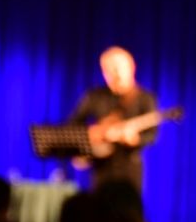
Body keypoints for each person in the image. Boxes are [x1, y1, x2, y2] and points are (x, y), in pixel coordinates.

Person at [68, 47, 159, 190]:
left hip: (129, 167)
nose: (115, 74)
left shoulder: (145, 98)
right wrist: (92, 136)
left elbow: (152, 135)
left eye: (119, 69)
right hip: (100, 166)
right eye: (109, 70)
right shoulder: (95, 96)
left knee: (127, 208)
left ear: (132, 67)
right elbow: (73, 124)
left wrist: (135, 140)